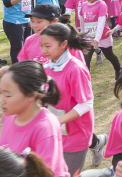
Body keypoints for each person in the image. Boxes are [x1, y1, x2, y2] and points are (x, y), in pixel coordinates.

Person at [39, 23, 101, 175]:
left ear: (63, 44)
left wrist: (57, 121)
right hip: (56, 133)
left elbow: (86, 104)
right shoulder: (47, 67)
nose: (43, 50)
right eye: (41, 46)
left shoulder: (75, 69)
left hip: (76, 135)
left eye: (48, 46)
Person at [0, 60, 70, 176]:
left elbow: (50, 173)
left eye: (8, 95)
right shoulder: (8, 117)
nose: (1, 100)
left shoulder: (45, 127)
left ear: (31, 94)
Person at [2, 0, 60, 64]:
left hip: (26, 20)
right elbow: (7, 3)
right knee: (17, 49)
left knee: (27, 47)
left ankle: (28, 68)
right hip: (14, 22)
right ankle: (18, 71)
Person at [80, 0, 122, 79]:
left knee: (109, 56)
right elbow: (82, 21)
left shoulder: (101, 4)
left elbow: (101, 22)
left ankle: (119, 70)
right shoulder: (83, 5)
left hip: (103, 36)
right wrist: (83, 35)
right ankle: (86, 80)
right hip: (89, 37)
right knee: (86, 58)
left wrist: (97, 38)